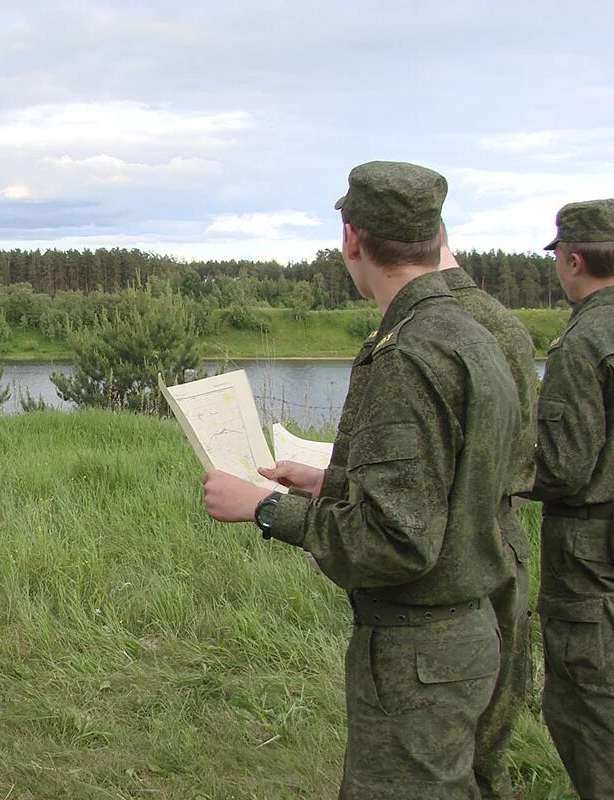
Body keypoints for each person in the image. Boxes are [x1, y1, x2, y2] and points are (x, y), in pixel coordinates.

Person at [203, 161, 520, 797]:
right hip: (469, 631)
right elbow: (449, 487)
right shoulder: (476, 333)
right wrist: (336, 480)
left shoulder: (408, 354)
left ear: (351, 237)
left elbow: (397, 542)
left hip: (419, 655)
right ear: (435, 236)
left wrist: (267, 507)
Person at [438, 226, 537, 799]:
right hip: (506, 537)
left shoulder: (425, 328)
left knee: (445, 736)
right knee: (494, 722)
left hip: (453, 548)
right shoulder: (508, 324)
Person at [526, 199, 614, 799]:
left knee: (589, 710)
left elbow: (561, 467)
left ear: (573, 259)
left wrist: (487, 463)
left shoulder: (583, 342)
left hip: (592, 562)